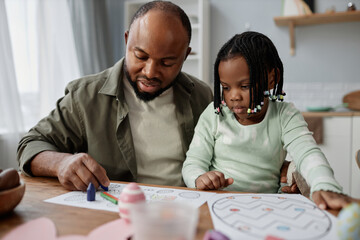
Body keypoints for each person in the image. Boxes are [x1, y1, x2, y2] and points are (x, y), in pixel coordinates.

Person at [17, 1, 213, 191]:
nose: (150, 72)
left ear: (185, 56)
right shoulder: (85, 96)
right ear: (127, 40)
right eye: (141, 56)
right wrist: (61, 162)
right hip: (116, 213)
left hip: (184, 212)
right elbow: (30, 144)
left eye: (167, 63)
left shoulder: (203, 97)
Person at [182, 31, 353, 210]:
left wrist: (325, 185)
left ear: (272, 78)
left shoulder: (284, 115)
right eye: (225, 87)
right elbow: (193, 162)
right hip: (217, 203)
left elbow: (308, 153)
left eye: (245, 86)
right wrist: (199, 178)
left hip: (266, 205)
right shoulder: (214, 114)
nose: (233, 96)